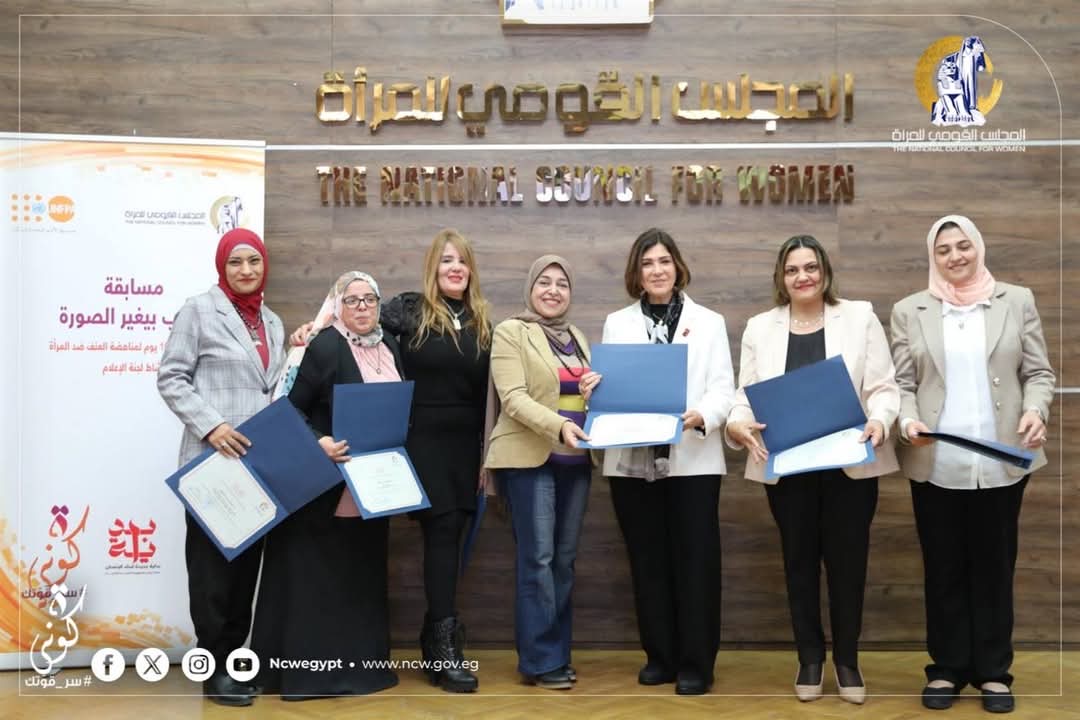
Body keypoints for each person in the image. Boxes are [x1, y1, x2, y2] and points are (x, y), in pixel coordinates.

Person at [725, 235, 899, 705]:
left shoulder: (859, 317)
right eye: (792, 270)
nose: (802, 277)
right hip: (788, 469)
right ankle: (809, 657)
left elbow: (883, 387)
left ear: (824, 271)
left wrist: (881, 420)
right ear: (780, 278)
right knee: (798, 564)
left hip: (851, 465)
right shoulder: (760, 327)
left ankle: (847, 660)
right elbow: (745, 395)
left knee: (848, 566)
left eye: (810, 267)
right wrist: (737, 424)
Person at [890, 215, 1054, 714]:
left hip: (1002, 461)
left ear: (978, 247)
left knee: (994, 568)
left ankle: (993, 674)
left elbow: (1038, 373)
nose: (954, 256)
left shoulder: (1016, 300)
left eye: (963, 246)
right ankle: (946, 670)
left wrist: (1035, 410)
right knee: (943, 569)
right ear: (932, 257)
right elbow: (902, 384)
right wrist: (907, 420)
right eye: (943, 250)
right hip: (935, 461)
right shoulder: (910, 310)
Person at [578, 228, 735, 695]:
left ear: (677, 266)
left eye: (664, 261)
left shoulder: (709, 322)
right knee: (647, 561)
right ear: (637, 272)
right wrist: (592, 390)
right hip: (632, 465)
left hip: (693, 460)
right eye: (647, 263)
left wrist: (703, 415)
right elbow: (611, 390)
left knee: (696, 561)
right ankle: (660, 656)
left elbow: (723, 388)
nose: (657, 270)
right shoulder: (617, 322)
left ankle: (696, 663)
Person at [250, 271, 402, 700]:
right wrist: (319, 442)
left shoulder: (390, 345)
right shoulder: (322, 346)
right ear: (337, 306)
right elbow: (289, 408)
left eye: (369, 299)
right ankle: (312, 677)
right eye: (351, 300)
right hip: (324, 487)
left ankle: (360, 672)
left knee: (359, 575)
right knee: (320, 578)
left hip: (373, 487)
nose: (361, 307)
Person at [157, 228, 285, 707]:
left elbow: (273, 386)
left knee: (245, 571)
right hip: (212, 464)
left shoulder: (272, 321)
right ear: (222, 267)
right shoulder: (198, 310)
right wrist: (211, 426)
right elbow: (171, 377)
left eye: (254, 261)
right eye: (236, 262)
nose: (246, 270)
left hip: (258, 468)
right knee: (212, 573)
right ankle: (212, 669)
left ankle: (233, 663)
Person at [379, 229, 491, 692]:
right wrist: (315, 328)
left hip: (466, 447)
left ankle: (436, 636)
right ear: (433, 267)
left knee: (451, 539)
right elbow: (357, 333)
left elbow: (487, 398)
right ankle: (444, 646)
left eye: (462, 260)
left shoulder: (483, 322)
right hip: (420, 441)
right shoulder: (409, 311)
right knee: (442, 535)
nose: (455, 268)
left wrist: (486, 456)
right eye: (446, 260)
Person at [484, 255, 591, 690]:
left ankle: (557, 652)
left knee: (564, 560)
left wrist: (593, 394)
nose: (553, 290)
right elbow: (513, 398)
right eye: (544, 282)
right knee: (538, 559)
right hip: (531, 459)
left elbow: (578, 398)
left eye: (562, 284)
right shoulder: (511, 331)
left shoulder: (578, 337)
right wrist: (559, 425)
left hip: (576, 463)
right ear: (530, 289)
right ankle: (540, 660)